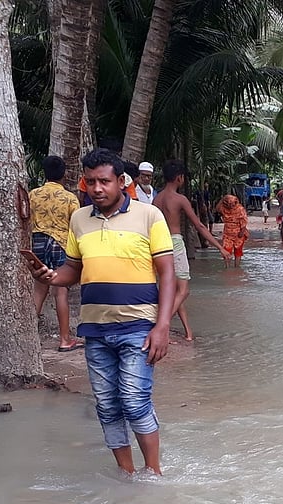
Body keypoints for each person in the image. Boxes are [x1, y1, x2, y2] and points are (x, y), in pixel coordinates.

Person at [29, 148, 175, 475]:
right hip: (95, 331)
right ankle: (127, 475)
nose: (97, 188)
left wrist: (162, 325)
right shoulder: (79, 219)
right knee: (108, 406)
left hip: (139, 326)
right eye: (91, 181)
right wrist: (51, 277)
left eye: (104, 181)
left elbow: (167, 272)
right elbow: (72, 270)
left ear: (121, 182)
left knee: (135, 402)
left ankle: (153, 474)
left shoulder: (149, 216)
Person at [153, 160, 225, 341]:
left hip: (158, 245)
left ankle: (188, 334)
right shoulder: (179, 199)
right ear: (179, 178)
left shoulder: (156, 199)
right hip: (175, 244)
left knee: (171, 291)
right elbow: (199, 225)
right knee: (184, 291)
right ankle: (161, 326)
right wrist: (220, 247)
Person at [28, 155, 82, 352]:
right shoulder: (69, 198)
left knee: (39, 290)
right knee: (61, 292)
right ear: (64, 173)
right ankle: (64, 340)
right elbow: (76, 226)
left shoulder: (33, 195)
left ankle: (27, 339)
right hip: (61, 244)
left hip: (38, 243)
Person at [216, 193, 249, 268]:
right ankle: (227, 267)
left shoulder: (240, 209)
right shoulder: (224, 209)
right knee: (227, 250)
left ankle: (236, 267)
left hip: (238, 233)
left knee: (238, 252)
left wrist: (242, 231)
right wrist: (222, 199)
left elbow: (244, 220)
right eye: (230, 203)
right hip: (227, 233)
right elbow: (217, 209)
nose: (232, 205)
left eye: (233, 203)